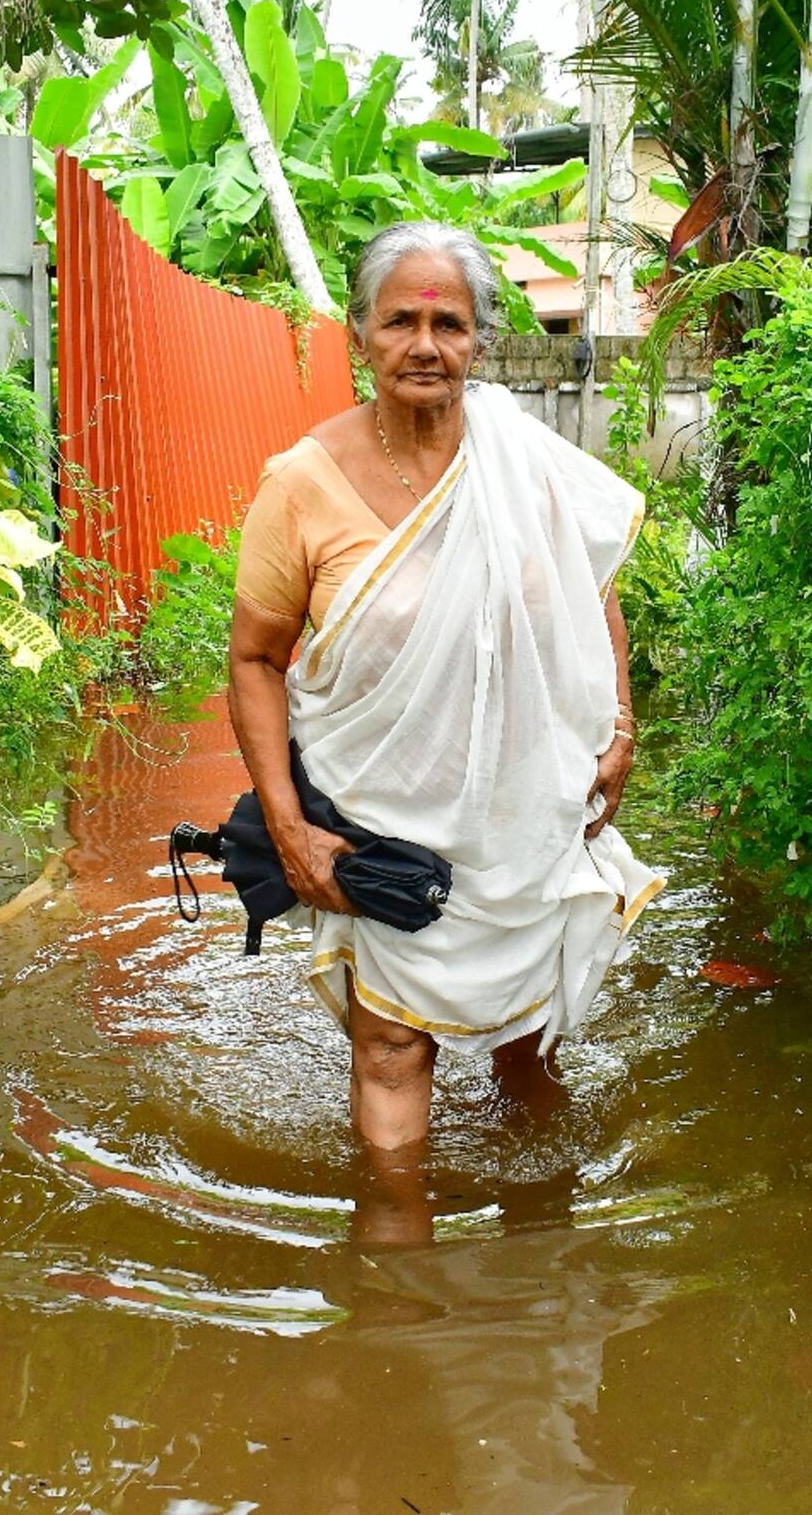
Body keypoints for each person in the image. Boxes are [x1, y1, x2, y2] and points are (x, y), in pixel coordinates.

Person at [227, 221, 664, 1159]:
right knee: (391, 1047)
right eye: (400, 322)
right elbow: (256, 661)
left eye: (449, 323)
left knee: (530, 1045)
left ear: (479, 338)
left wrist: (620, 726)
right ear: (359, 335)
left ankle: (540, 1262)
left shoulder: (521, 459)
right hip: (386, 822)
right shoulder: (302, 484)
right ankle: (394, 1282)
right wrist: (291, 830)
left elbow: (595, 590)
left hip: (528, 815)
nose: (425, 345)